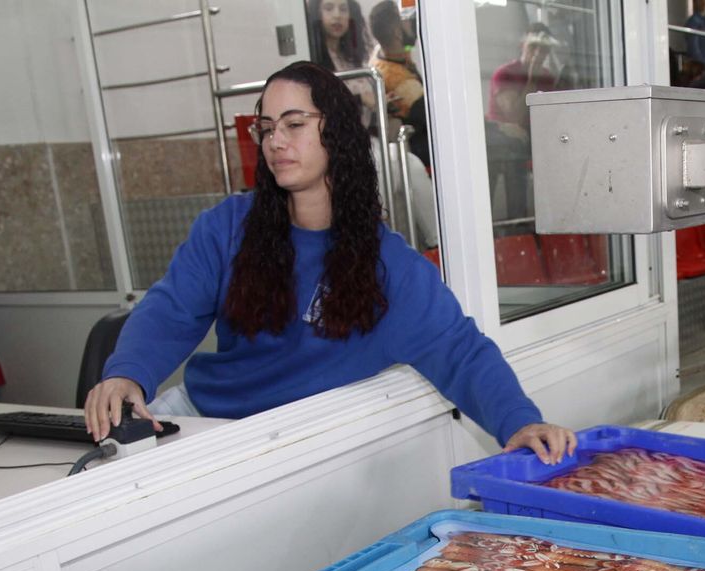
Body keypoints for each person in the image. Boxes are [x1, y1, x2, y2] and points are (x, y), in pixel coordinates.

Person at [84, 62, 574, 464]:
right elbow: (170, 311)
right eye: (267, 128)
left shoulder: (387, 264)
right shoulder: (227, 227)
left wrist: (519, 421)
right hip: (200, 423)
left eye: (295, 125)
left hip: (292, 446)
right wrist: (127, 373)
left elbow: (460, 351)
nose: (276, 141)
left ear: (336, 134)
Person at [369, 1, 429, 169]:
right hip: (421, 155)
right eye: (408, 20)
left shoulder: (380, 53)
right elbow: (431, 114)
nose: (414, 23)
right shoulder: (402, 82)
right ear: (397, 32)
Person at [308, 0, 376, 126]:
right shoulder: (312, 60)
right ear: (317, 14)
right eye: (329, 8)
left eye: (343, 9)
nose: (337, 15)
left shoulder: (352, 58)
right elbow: (321, 105)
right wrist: (361, 99)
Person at [487, 23, 559, 136]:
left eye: (544, 49)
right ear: (522, 46)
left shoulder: (547, 77)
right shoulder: (505, 74)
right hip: (506, 140)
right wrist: (532, 81)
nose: (538, 53)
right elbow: (514, 116)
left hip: (534, 137)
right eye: (533, 46)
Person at [682, 0, 705, 66]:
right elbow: (693, 47)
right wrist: (701, 64)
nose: (703, 2)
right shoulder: (693, 21)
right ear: (694, 2)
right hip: (701, 64)